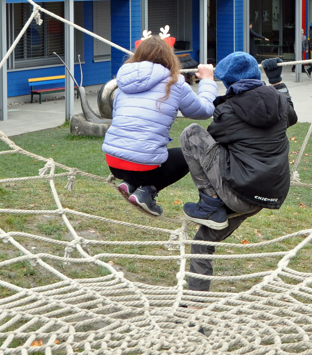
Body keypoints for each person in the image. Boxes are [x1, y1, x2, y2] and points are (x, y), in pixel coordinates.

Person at [178, 54, 297, 291]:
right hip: (267, 195)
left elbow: (213, 141)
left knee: (192, 133)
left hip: (239, 192)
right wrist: (277, 82)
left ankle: (210, 201)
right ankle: (194, 309)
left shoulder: (229, 109)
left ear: (230, 82)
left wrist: (212, 92)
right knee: (202, 241)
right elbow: (291, 116)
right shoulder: (279, 102)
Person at [101, 36, 217, 216]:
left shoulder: (123, 81)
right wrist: (208, 80)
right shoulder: (175, 82)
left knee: (143, 154)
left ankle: (130, 183)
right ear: (169, 57)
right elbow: (204, 110)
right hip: (144, 166)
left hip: (113, 162)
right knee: (190, 154)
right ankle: (147, 192)